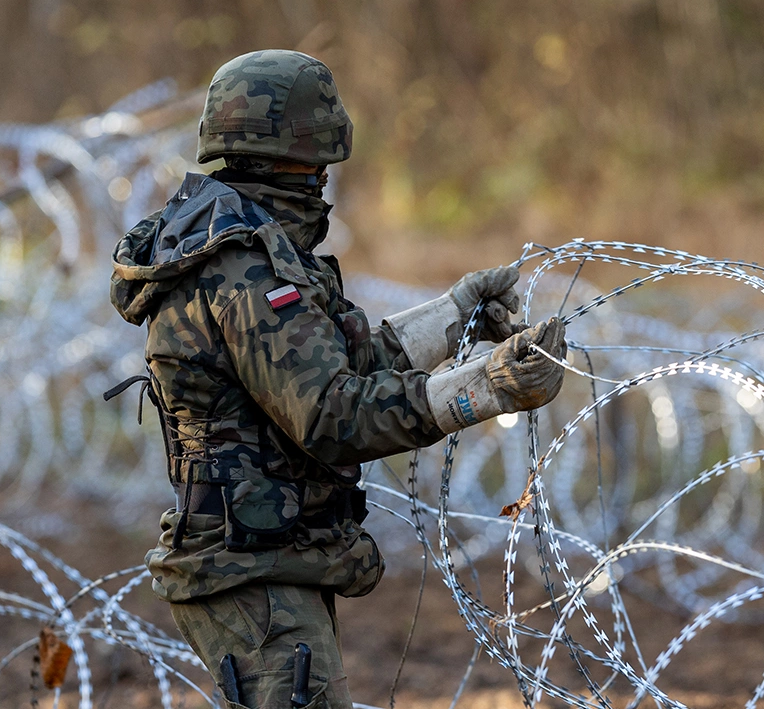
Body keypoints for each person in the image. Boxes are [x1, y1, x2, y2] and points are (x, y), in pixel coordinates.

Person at [109, 49, 568, 708]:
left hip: (267, 560)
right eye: (319, 161)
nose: (325, 177)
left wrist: (455, 313)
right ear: (293, 153)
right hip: (250, 573)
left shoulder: (251, 247)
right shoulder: (244, 271)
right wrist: (487, 387)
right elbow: (331, 414)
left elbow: (344, 361)